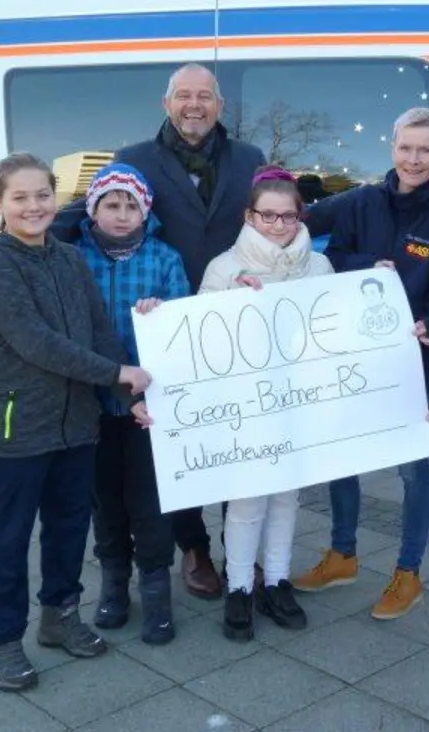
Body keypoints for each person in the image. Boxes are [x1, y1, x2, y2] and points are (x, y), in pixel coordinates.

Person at [0, 153, 152, 691]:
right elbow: (36, 344)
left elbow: (98, 330)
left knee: (70, 527)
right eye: (20, 197)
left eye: (42, 195)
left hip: (78, 424)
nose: (33, 206)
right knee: (9, 538)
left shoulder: (70, 259)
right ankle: (0, 640)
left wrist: (126, 393)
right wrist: (117, 369)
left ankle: (60, 616)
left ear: (56, 198)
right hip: (18, 426)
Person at [139, 166, 335, 641]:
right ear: (250, 215)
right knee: (247, 500)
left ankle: (278, 579)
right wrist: (163, 315)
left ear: (299, 215)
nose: (277, 225)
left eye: (287, 216)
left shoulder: (320, 266)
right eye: (267, 216)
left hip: (298, 400)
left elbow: (333, 327)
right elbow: (198, 339)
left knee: (288, 495)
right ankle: (241, 587)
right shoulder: (225, 268)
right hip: (246, 407)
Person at [106, 63, 266, 601]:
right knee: (177, 442)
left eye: (204, 96)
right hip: (165, 326)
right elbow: (96, 217)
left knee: (235, 437)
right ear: (166, 103)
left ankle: (239, 547)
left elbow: (278, 217)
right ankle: (193, 546)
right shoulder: (133, 161)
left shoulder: (249, 159)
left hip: (234, 321)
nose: (194, 105)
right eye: (184, 96)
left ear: (220, 105)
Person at [293, 106, 429, 621]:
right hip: (348, 357)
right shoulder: (360, 202)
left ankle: (408, 573)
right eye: (406, 148)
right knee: (342, 458)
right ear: (392, 148)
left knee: (412, 472)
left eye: (424, 150)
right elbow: (321, 252)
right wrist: (367, 265)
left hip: (411, 365)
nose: (414, 159)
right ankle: (342, 555)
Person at [66, 163, 191, 647]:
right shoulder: (74, 258)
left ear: (146, 211)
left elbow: (181, 327)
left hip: (148, 409)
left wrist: (161, 314)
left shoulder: (164, 259)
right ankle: (114, 586)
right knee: (106, 504)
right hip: (92, 405)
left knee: (150, 505)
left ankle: (157, 593)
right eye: (111, 205)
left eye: (131, 206)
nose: (121, 215)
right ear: (93, 209)